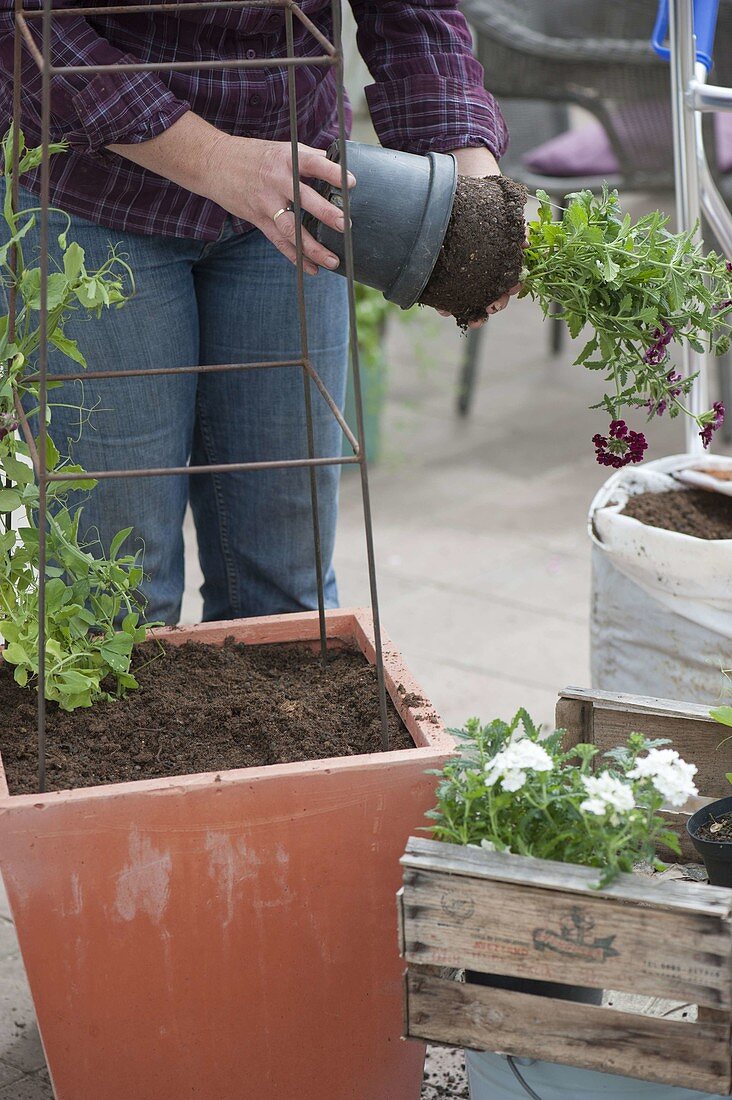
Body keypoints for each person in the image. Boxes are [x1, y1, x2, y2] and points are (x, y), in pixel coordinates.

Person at [0, 0, 512, 625]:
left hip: (298, 187)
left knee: (288, 596)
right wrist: (214, 159)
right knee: (114, 601)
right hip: (92, 189)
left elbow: (413, 13)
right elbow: (20, 25)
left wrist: (479, 199)